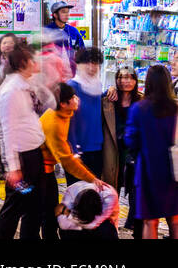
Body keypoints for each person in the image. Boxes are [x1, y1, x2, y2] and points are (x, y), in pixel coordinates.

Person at [39, 81, 107, 240]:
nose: (77, 99)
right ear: (63, 103)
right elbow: (67, 161)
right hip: (37, 169)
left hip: (45, 168)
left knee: (48, 209)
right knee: (42, 212)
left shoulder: (64, 113)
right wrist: (92, 178)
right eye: (73, 97)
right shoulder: (54, 122)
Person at [0, 46, 48, 239]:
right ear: (24, 63)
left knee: (34, 205)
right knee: (15, 206)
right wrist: (13, 167)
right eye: (35, 60)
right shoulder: (10, 91)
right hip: (22, 159)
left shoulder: (26, 83)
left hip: (34, 154)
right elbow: (7, 131)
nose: (38, 63)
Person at [123, 64, 178, 239]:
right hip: (174, 171)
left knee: (150, 221)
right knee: (175, 219)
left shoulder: (139, 109)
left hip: (148, 170)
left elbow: (130, 140)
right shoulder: (176, 108)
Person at [102, 65, 142, 237]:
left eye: (129, 77)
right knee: (112, 189)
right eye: (121, 77)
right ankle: (110, 227)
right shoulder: (109, 98)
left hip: (134, 152)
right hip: (113, 150)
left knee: (135, 190)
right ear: (116, 80)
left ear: (135, 80)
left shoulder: (141, 100)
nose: (125, 81)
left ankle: (134, 225)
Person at [67, 47, 105, 182]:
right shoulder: (71, 87)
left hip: (97, 148)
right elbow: (67, 121)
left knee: (95, 193)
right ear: (78, 64)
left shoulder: (98, 86)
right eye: (87, 63)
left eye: (95, 63)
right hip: (78, 150)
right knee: (78, 194)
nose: (91, 67)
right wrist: (74, 150)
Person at [43, 0, 86, 78]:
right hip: (51, 76)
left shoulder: (73, 31)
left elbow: (82, 51)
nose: (67, 14)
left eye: (67, 12)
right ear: (55, 15)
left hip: (71, 74)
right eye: (63, 12)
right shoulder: (46, 31)